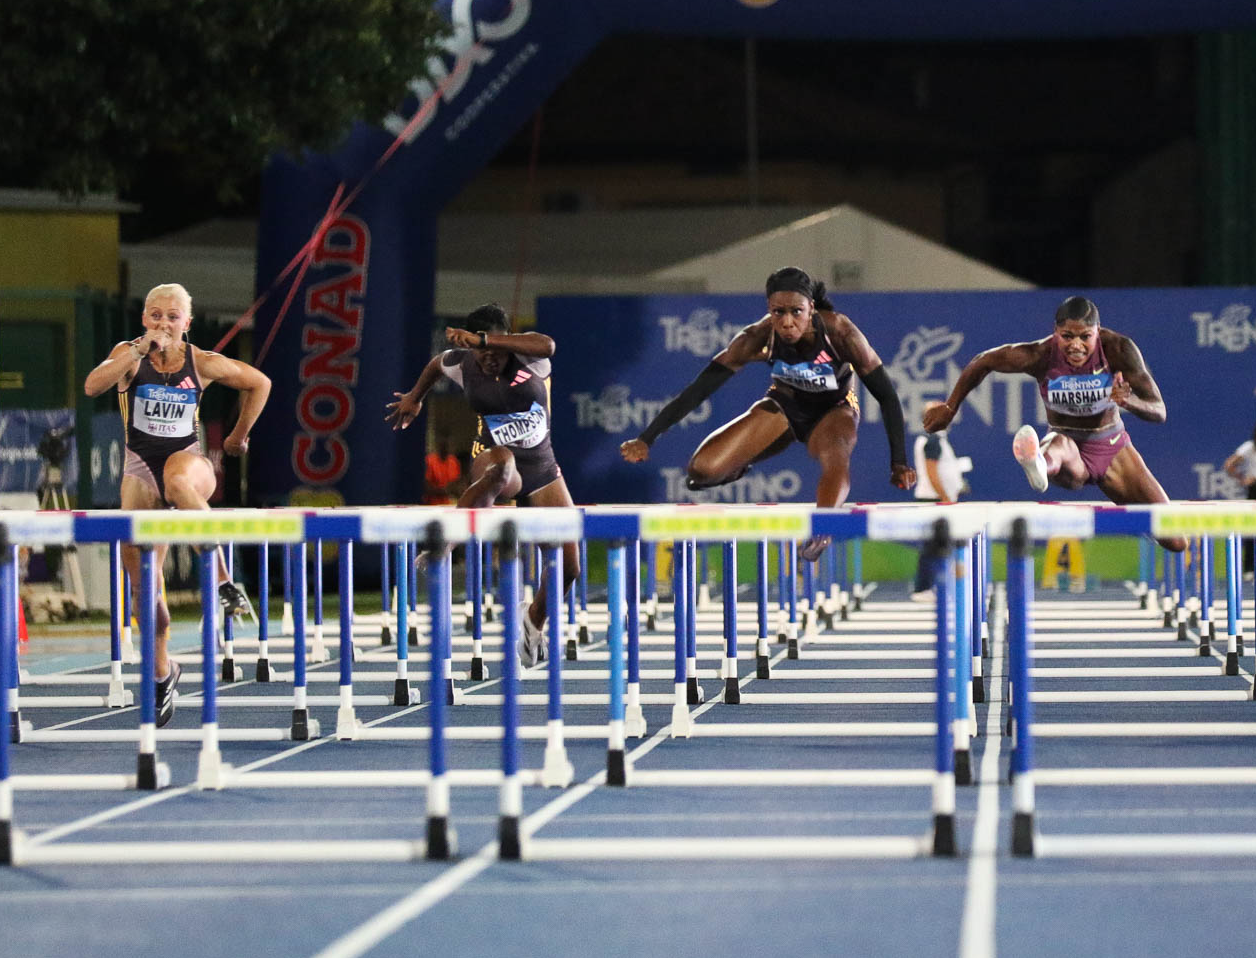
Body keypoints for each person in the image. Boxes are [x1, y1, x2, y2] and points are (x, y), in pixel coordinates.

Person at [619, 266, 917, 560]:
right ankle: (738, 466)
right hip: (784, 407)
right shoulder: (757, 337)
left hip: (834, 410)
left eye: (796, 312)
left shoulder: (840, 332)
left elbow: (887, 396)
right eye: (778, 313)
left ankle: (822, 529)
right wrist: (647, 437)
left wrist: (899, 462)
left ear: (811, 308)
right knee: (702, 471)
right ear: (769, 310)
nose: (787, 323)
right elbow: (699, 389)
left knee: (836, 452)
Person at [82, 283, 269, 727]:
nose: (163, 323)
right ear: (144, 319)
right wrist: (136, 351)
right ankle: (163, 671)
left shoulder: (200, 362)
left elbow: (259, 383)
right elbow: (92, 386)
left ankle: (222, 579)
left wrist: (238, 437)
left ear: (187, 322)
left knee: (178, 481)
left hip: (189, 463)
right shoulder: (129, 354)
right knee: (144, 595)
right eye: (155, 315)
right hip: (139, 471)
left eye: (172, 316)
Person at [386, 303, 579, 667]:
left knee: (569, 568)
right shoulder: (462, 363)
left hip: (541, 468)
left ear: (506, 342)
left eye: (496, 352)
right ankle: (447, 543)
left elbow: (549, 345)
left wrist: (484, 341)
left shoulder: (530, 359)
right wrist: (415, 397)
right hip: (492, 458)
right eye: (481, 354)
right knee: (502, 465)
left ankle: (533, 622)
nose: (490, 360)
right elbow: (435, 365)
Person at [922, 295, 1186, 553]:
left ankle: (1141, 525)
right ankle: (1039, 464)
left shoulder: (1118, 349)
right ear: (1055, 332)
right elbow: (984, 361)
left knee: (1176, 541)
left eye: (1085, 337)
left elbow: (1158, 410)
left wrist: (1130, 402)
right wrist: (950, 407)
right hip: (1068, 447)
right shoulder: (1041, 355)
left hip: (1112, 447)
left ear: (1098, 331)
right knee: (1057, 444)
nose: (1076, 346)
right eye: (1067, 336)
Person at [910, 429, 967, 601]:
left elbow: (943, 469)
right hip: (934, 499)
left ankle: (934, 585)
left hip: (937, 498)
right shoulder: (932, 441)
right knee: (932, 546)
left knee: (938, 545)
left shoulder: (937, 440)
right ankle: (923, 588)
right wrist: (944, 496)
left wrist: (957, 485)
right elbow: (931, 471)